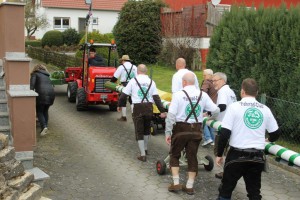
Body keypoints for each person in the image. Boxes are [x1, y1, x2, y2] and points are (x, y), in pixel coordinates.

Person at [216, 78, 280, 200]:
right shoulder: (265, 109)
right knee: (254, 192)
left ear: (242, 91)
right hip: (257, 157)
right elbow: (276, 133)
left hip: (236, 155)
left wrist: (219, 154)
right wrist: (269, 139)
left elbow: (224, 133)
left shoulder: (234, 107)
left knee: (226, 190)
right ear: (257, 93)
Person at [165, 72, 220, 195]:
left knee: (174, 155)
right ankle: (189, 186)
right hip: (196, 130)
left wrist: (168, 132)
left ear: (184, 82)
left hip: (180, 129)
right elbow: (216, 110)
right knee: (192, 156)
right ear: (194, 82)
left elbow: (171, 115)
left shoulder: (178, 95)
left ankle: (176, 183)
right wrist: (209, 117)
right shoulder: (203, 95)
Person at [118, 64, 166, 161]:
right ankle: (146, 148)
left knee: (139, 130)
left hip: (138, 107)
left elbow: (123, 96)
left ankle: (142, 154)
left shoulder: (133, 81)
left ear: (138, 71)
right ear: (146, 71)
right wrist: (162, 111)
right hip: (148, 107)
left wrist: (120, 105)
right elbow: (156, 98)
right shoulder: (151, 82)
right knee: (147, 128)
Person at [212, 72, 237, 179]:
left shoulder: (222, 91)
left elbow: (222, 106)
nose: (213, 83)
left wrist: (210, 114)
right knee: (228, 149)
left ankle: (226, 172)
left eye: (215, 81)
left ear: (222, 81)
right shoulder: (230, 91)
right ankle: (227, 171)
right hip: (232, 124)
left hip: (224, 124)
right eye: (212, 81)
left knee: (219, 150)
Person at [30, 64, 55, 136]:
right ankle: (45, 127)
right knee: (45, 110)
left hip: (41, 95)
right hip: (51, 95)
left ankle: (44, 126)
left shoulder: (35, 74)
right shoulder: (47, 75)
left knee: (39, 111)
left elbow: (31, 86)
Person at [111, 55, 137, 121]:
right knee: (132, 100)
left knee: (123, 100)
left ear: (123, 61)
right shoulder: (134, 67)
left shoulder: (121, 67)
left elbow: (115, 77)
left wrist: (111, 83)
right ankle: (134, 117)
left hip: (124, 85)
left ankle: (124, 117)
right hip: (133, 84)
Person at [201, 69, 218, 146]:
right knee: (211, 123)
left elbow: (203, 92)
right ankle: (213, 139)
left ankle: (208, 138)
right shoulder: (215, 83)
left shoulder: (206, 82)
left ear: (210, 76)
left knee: (204, 121)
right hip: (214, 106)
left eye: (204, 75)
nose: (203, 76)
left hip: (207, 106)